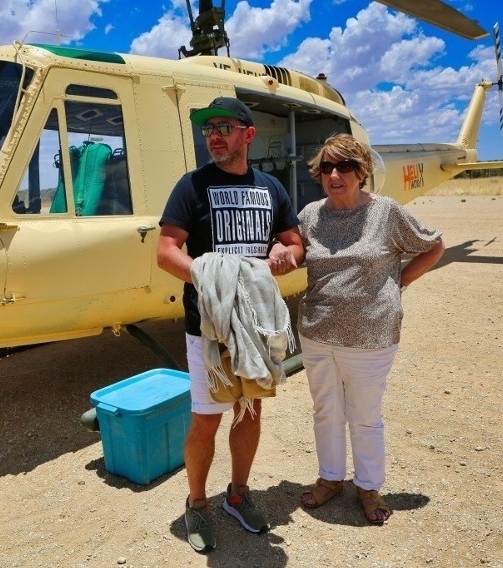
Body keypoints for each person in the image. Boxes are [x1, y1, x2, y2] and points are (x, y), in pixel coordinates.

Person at [157, 97, 303, 553]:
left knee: (252, 409)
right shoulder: (191, 186)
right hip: (210, 327)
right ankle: (197, 504)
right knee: (206, 419)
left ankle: (237, 495)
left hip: (256, 324)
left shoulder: (271, 189)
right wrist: (212, 276)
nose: (213, 135)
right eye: (207, 129)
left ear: (248, 134)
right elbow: (166, 252)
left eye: (223, 126)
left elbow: (295, 244)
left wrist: (286, 255)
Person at [292, 133, 444, 524]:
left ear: (361, 172)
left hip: (370, 335)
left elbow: (434, 245)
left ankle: (368, 486)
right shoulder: (310, 215)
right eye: (327, 167)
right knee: (326, 410)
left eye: (344, 166)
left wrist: (400, 283)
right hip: (317, 332)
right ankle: (330, 479)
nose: (334, 175)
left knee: (364, 414)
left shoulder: (386, 212)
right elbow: (293, 252)